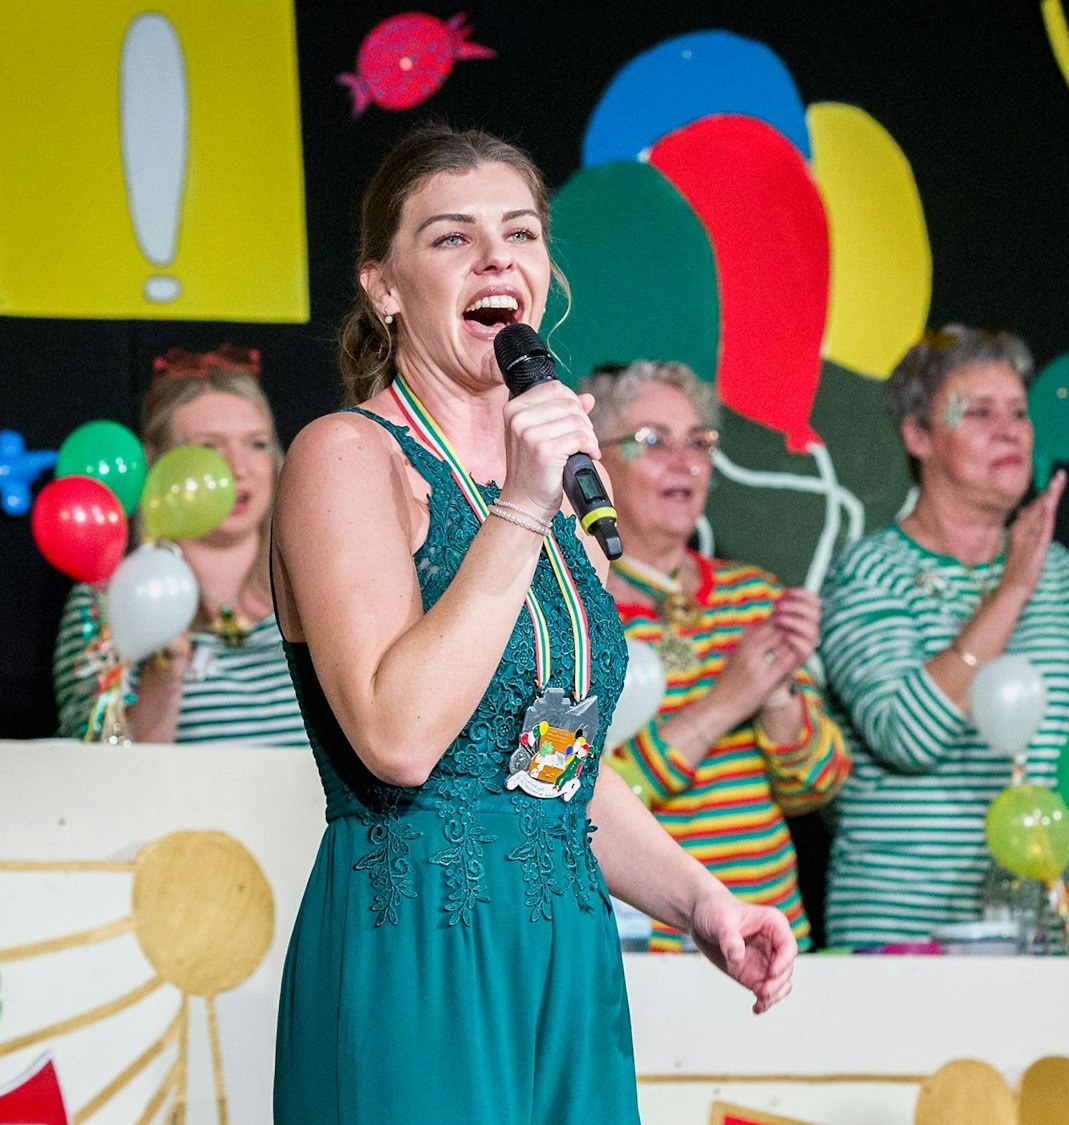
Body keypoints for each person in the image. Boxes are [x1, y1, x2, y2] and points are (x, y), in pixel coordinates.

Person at [269, 124, 794, 1122]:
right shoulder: (347, 457)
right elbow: (397, 737)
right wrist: (518, 504)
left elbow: (551, 771)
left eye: (517, 233)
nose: (495, 257)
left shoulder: (559, 494)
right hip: (411, 937)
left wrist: (700, 902)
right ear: (383, 286)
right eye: (451, 238)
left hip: (562, 948)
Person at [818, 325, 1069, 947]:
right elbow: (907, 734)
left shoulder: (1059, 573)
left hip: (1054, 928)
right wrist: (1010, 590)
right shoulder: (870, 570)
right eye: (979, 413)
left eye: (1018, 412)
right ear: (918, 435)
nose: (1009, 429)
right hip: (907, 937)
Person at [585, 359, 850, 952]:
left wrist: (777, 694)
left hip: (768, 938)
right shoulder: (572, 612)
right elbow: (581, 801)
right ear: (596, 463)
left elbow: (818, 783)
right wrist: (726, 702)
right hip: (636, 948)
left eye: (698, 442)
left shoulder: (753, 596)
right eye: (653, 441)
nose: (685, 462)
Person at [50, 345, 305, 747]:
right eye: (208, 448)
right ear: (158, 463)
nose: (238, 469)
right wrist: (164, 677)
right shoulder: (104, 596)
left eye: (256, 444)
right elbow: (100, 771)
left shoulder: (315, 588)